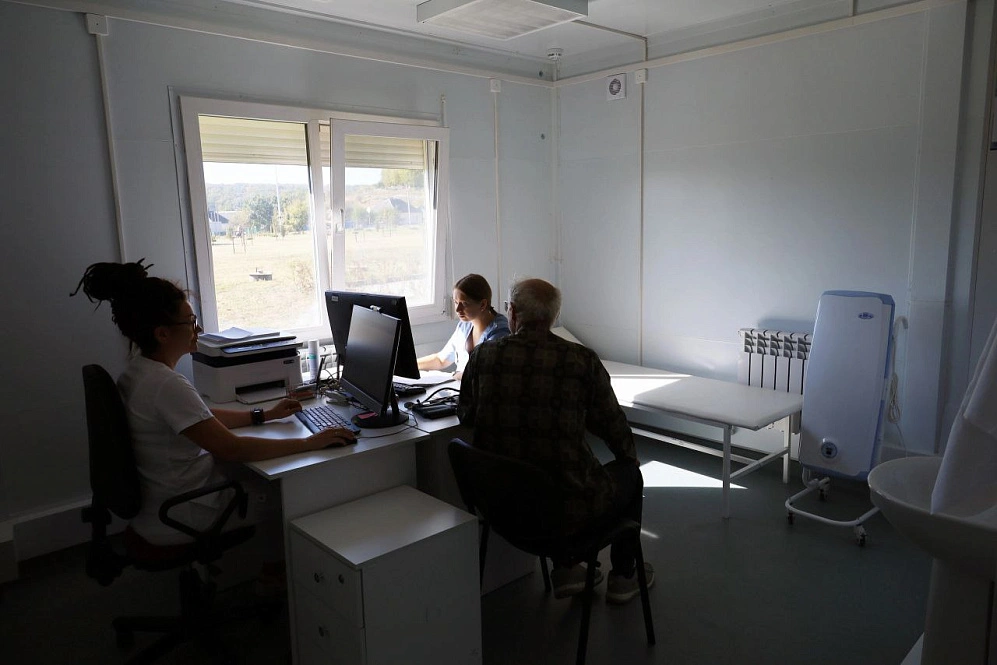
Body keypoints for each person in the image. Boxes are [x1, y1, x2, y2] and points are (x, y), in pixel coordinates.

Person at [72, 259, 356, 547]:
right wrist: (309, 443)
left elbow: (202, 416)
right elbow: (232, 448)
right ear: (162, 333)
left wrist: (264, 415)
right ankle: (272, 570)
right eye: (190, 322)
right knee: (285, 493)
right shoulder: (166, 384)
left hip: (160, 503)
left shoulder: (138, 370)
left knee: (255, 473)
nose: (198, 328)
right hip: (181, 515)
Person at [457, 277, 653, 604]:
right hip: (565, 513)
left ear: (513, 312)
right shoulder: (580, 361)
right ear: (552, 317)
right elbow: (612, 427)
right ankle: (624, 576)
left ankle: (569, 569)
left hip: (499, 505)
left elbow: (466, 415)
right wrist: (628, 457)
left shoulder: (482, 357)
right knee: (630, 475)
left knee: (536, 468)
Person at [418, 273, 510, 379]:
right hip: (459, 385)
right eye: (456, 302)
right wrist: (409, 365)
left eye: (464, 304)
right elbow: (441, 360)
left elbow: (483, 374)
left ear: (482, 304)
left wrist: (456, 377)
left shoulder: (500, 333)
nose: (458, 309)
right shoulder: (464, 325)